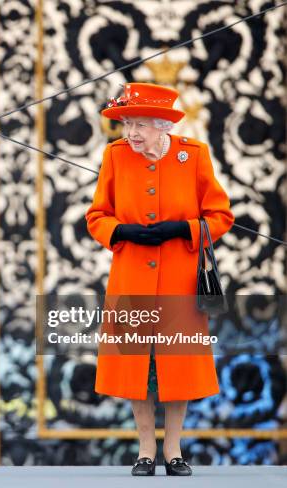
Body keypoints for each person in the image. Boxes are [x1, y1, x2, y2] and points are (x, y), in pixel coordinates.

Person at [85, 82, 234, 476]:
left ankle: (174, 449)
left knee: (177, 367)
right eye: (127, 124)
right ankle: (145, 450)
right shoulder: (115, 156)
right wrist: (122, 233)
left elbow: (220, 216)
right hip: (131, 277)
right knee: (138, 368)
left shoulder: (194, 157)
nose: (131, 134)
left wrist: (183, 229)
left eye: (139, 126)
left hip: (179, 282)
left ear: (163, 126)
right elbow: (96, 216)